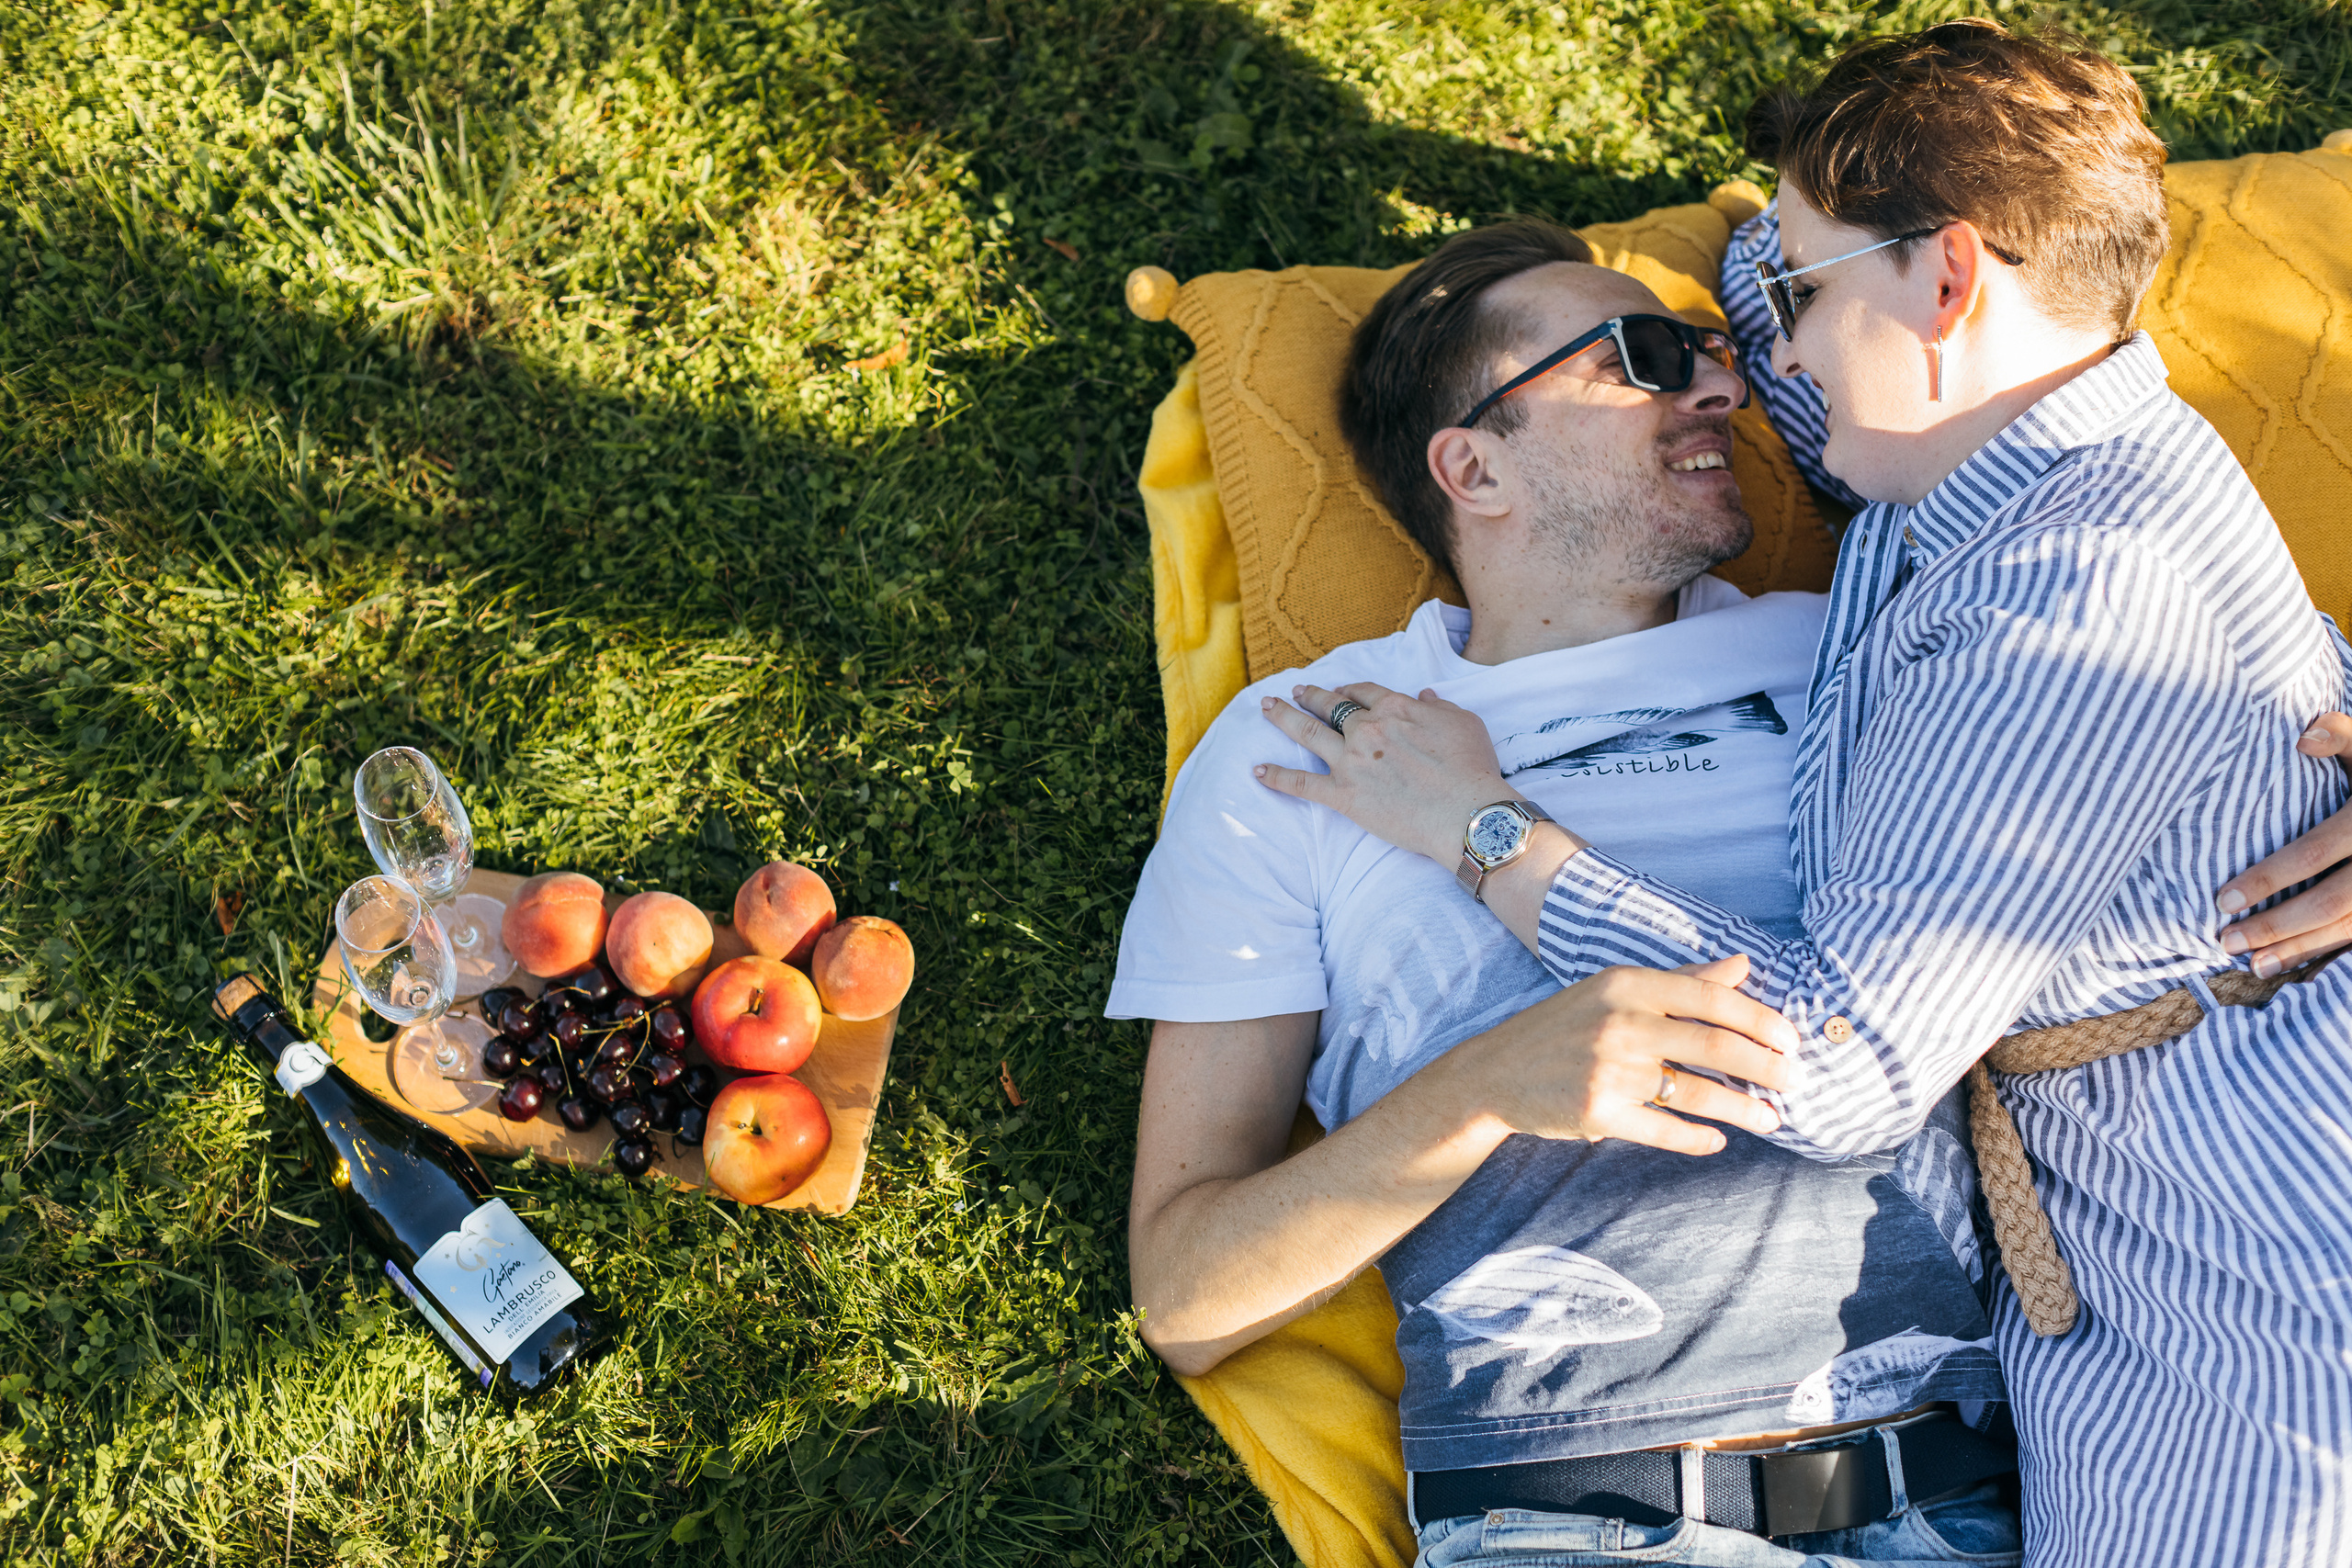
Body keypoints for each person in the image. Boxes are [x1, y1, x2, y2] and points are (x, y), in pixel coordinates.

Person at [1250, 23, 2352, 1568]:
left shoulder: (2071, 601)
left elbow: (1841, 1073)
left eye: (1804, 296)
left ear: (1950, 280)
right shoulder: (1985, 452)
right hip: (2107, 1298)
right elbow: (1801, 304)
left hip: (2258, 1311)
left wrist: (1489, 837)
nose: (1765, 366)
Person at [1119, 215, 2033, 1567]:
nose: (1718, 389)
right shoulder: (1308, 742)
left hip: (1989, 1500)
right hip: (1573, 1523)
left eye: (1716, 355)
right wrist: (1487, 1089)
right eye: (1645, 358)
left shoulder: (1851, 648)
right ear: (1474, 465)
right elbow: (1190, 1296)